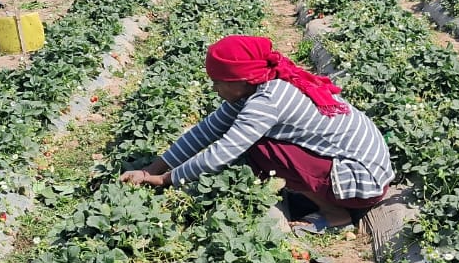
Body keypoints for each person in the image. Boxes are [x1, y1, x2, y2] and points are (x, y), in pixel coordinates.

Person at [120, 35, 394, 230]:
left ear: (241, 80)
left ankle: (335, 213)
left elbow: (221, 153)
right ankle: (317, 194)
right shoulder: (255, 89)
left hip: (363, 181)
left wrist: (165, 180)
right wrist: (150, 170)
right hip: (361, 167)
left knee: (259, 148)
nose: (215, 88)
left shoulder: (268, 100)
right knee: (253, 141)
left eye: (218, 82)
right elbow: (204, 133)